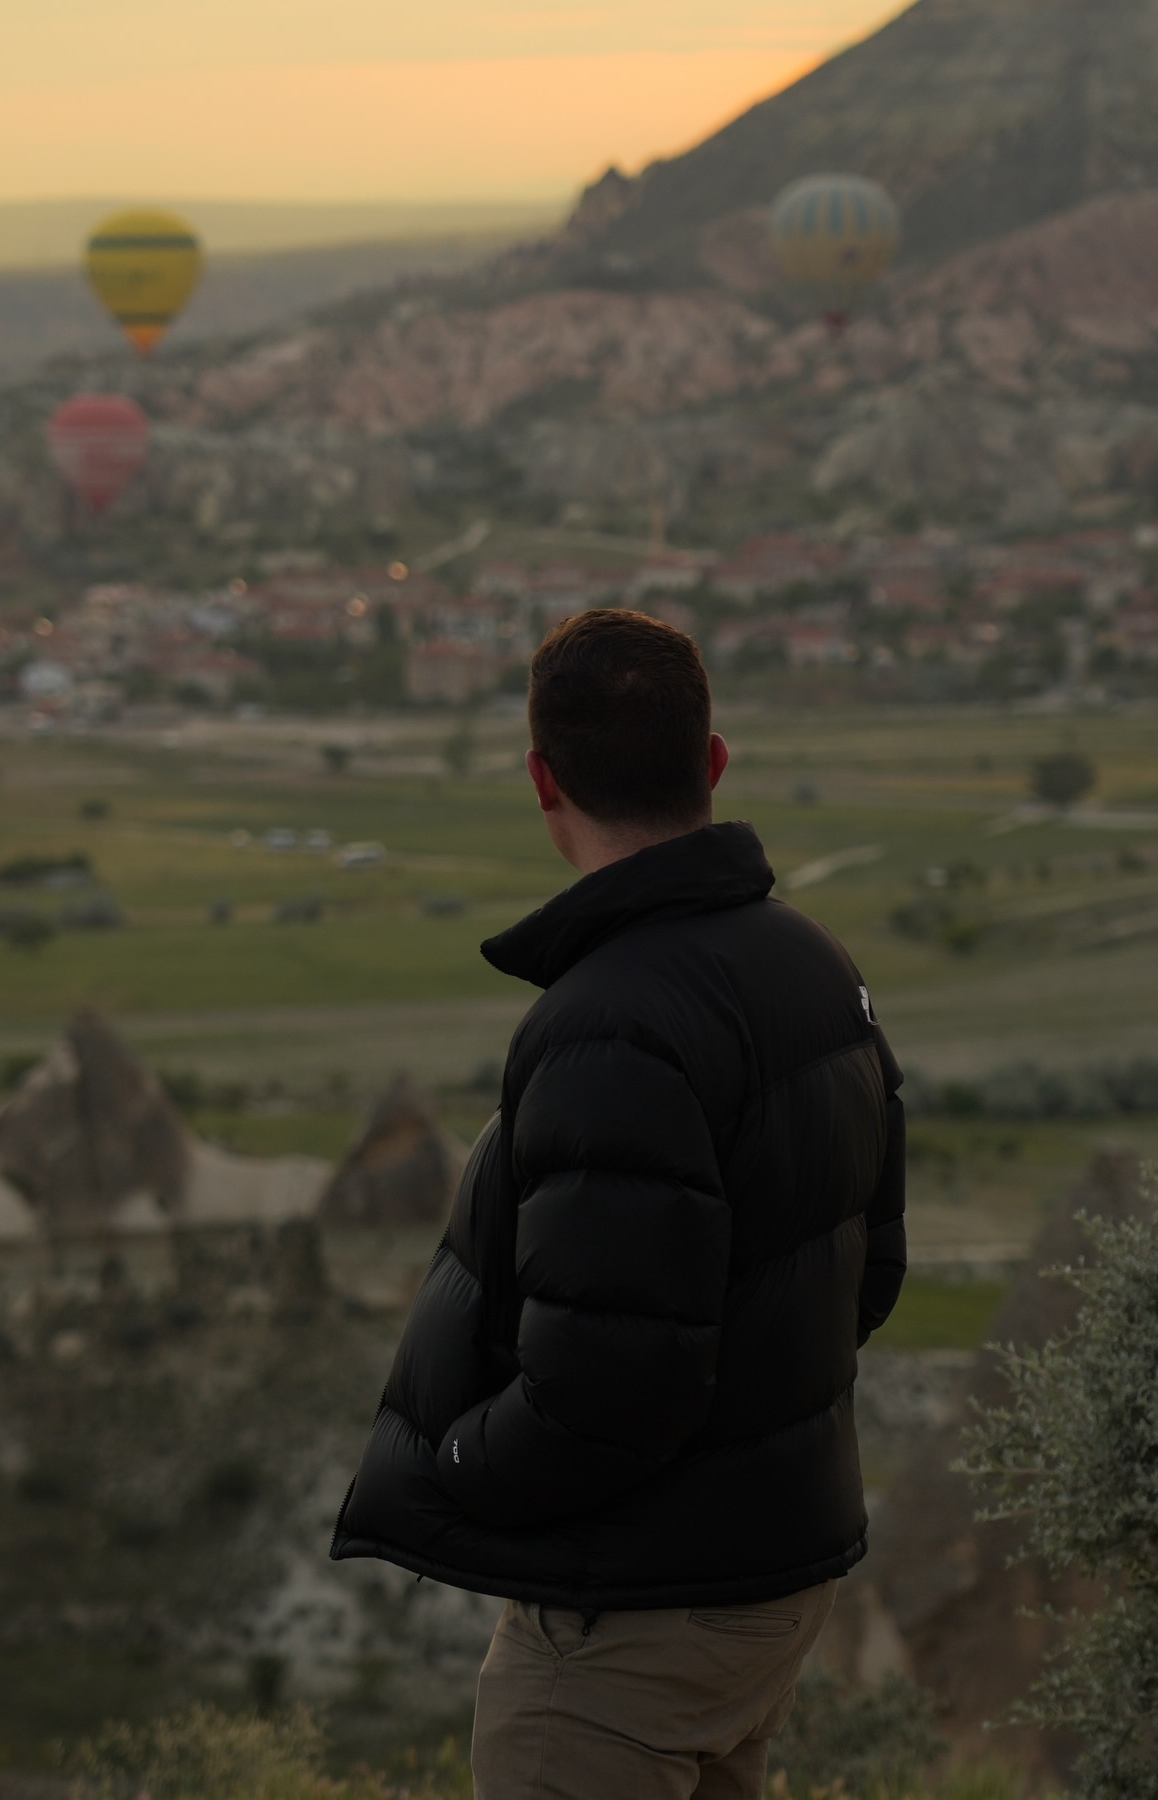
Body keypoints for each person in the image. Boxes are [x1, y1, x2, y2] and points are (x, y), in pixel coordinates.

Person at [330, 609, 906, 1799]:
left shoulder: (612, 1021)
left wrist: (455, 1461)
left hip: (629, 1625)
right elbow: (869, 1274)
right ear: (713, 761)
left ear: (542, 780)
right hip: (768, 1581)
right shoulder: (815, 964)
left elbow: (607, 1387)